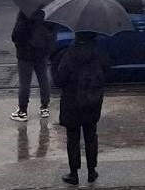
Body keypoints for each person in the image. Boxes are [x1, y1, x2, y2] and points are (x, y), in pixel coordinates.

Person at [53, 32, 109, 186]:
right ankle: (92, 171)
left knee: (73, 139)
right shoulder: (98, 52)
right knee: (91, 135)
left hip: (72, 103)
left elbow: (59, 80)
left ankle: (74, 173)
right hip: (92, 101)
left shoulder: (71, 54)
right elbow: (107, 69)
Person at [11, 8, 56, 122]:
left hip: (25, 53)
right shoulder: (48, 11)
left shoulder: (25, 12)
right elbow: (52, 34)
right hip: (41, 53)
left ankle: (23, 111)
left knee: (25, 82)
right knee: (43, 79)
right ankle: (45, 107)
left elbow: (16, 35)